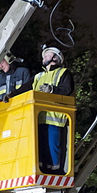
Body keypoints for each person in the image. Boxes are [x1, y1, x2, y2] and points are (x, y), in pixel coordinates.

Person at [33, 46, 74, 174]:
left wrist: (52, 90)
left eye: (47, 55)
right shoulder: (39, 76)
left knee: (53, 147)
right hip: (39, 118)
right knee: (40, 148)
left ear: (55, 57)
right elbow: (26, 89)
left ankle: (55, 174)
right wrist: (11, 95)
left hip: (54, 118)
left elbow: (67, 89)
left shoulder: (63, 73)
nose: (43, 57)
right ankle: (43, 172)